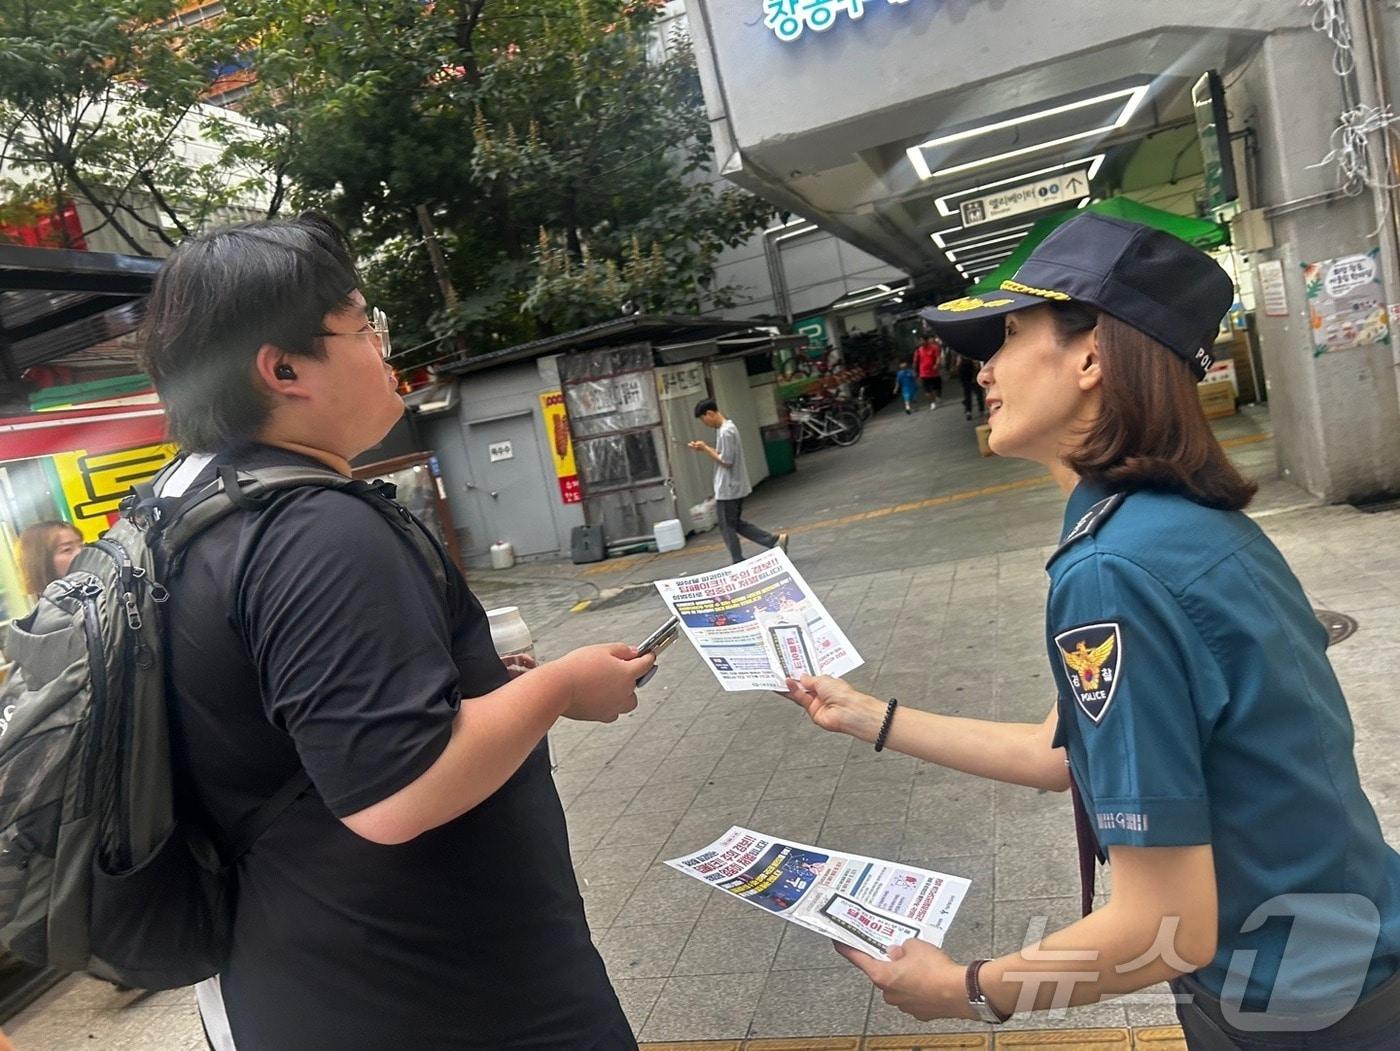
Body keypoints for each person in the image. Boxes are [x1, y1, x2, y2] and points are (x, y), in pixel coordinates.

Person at [778, 214, 1400, 1048]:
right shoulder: (1180, 523)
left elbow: (1165, 929)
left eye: (1007, 334)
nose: (984, 368)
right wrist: (864, 715)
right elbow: (1060, 750)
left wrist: (967, 991)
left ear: (1091, 355)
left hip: (1298, 1013)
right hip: (1353, 966)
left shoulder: (1111, 572)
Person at [139, 213, 653, 1051]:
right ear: (283, 367)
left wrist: (484, 684)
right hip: (431, 992)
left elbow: (288, 724)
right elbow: (396, 790)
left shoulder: (187, 516)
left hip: (300, 970)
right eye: (363, 323)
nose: (383, 346)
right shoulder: (315, 529)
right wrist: (557, 687)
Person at [689, 398, 787, 563]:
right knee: (734, 523)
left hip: (729, 487)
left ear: (710, 413)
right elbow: (722, 454)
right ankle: (772, 541)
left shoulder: (726, 431)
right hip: (733, 485)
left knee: (726, 525)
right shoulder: (726, 428)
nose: (704, 423)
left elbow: (726, 461)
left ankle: (738, 559)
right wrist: (705, 448)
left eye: (703, 419)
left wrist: (705, 449)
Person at [17, 520, 83, 598]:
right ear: (42, 561)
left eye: (82, 546)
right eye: (67, 549)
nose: (81, 552)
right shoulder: (49, 607)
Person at [913, 331, 943, 409]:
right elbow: (916, 361)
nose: (920, 342)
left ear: (926, 340)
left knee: (937, 388)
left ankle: (938, 397)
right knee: (927, 390)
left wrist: (937, 364)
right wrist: (915, 372)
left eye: (922, 340)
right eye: (919, 341)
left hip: (934, 372)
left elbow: (938, 357)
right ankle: (932, 403)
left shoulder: (934, 348)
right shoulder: (918, 351)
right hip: (924, 373)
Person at [956, 353, 986, 420]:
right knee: (978, 394)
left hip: (967, 377)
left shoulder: (961, 354)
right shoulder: (970, 354)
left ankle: (969, 412)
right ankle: (980, 411)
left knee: (968, 395)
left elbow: (957, 365)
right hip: (970, 376)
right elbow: (976, 365)